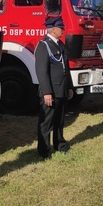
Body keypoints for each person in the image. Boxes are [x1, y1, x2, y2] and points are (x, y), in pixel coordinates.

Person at [35, 16, 73, 158]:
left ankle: (60, 145)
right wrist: (47, 92)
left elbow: (65, 68)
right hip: (51, 90)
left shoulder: (60, 45)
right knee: (46, 122)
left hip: (61, 89)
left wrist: (69, 87)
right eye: (61, 27)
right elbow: (42, 71)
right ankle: (44, 150)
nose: (63, 30)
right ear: (53, 29)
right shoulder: (43, 46)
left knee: (59, 120)